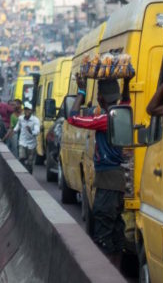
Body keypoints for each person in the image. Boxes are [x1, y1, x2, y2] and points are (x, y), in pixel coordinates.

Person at [67, 77, 129, 257]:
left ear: (100, 99)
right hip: (118, 181)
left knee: (103, 237)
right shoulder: (123, 113)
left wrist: (81, 93)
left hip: (107, 182)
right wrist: (126, 85)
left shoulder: (103, 119)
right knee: (117, 235)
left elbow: (72, 117)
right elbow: (125, 101)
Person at [9, 101, 40, 172]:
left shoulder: (35, 120)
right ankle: (22, 171)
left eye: (28, 110)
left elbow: (37, 131)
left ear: (31, 111)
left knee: (30, 162)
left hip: (32, 144)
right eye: (25, 109)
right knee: (22, 157)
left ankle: (29, 173)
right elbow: (17, 127)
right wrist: (13, 132)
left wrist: (30, 131)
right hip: (22, 142)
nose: (26, 111)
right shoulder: (21, 118)